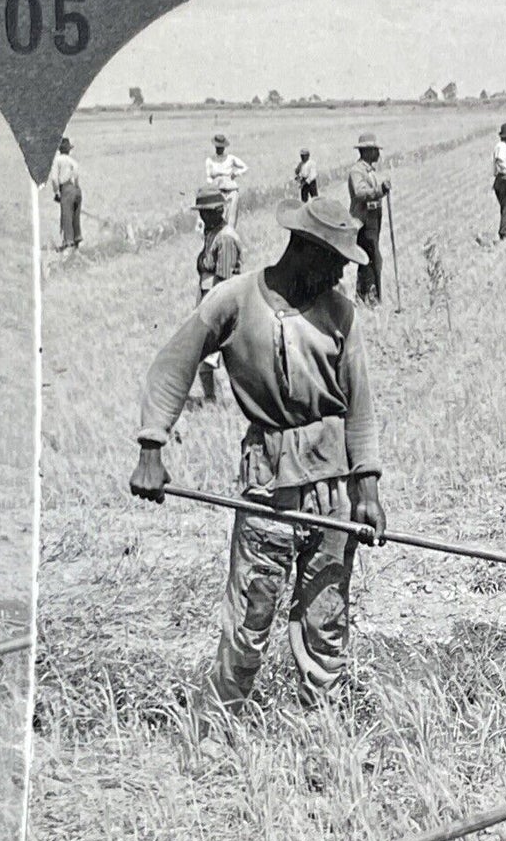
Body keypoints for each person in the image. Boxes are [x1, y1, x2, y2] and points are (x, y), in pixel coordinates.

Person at [130, 196, 384, 713]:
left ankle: (318, 731)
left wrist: (369, 491)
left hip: (333, 494)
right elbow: (174, 364)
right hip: (268, 487)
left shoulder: (341, 314)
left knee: (326, 620)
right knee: (250, 616)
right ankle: (218, 734)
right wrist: (152, 445)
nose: (340, 274)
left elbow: (360, 406)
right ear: (306, 251)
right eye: (335, 261)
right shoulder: (234, 300)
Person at [190, 185, 243, 403]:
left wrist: (213, 312)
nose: (202, 216)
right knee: (205, 354)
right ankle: (211, 400)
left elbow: (225, 282)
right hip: (206, 298)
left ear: (218, 211)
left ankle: (226, 402)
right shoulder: (211, 233)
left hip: (218, 301)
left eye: (206, 211)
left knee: (215, 355)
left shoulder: (226, 238)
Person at [347, 131, 390, 304]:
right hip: (364, 220)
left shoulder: (369, 170)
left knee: (370, 256)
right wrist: (380, 190)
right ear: (366, 152)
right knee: (371, 256)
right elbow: (359, 193)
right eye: (375, 150)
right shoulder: (357, 171)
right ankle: (371, 297)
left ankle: (363, 295)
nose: (378, 154)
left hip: (374, 216)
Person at [47, 137, 83, 249]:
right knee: (75, 219)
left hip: (66, 190)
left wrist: (56, 193)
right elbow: (76, 179)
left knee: (66, 218)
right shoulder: (73, 162)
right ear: (69, 150)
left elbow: (54, 179)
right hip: (77, 190)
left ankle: (68, 245)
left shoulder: (58, 160)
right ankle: (76, 244)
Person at [205, 134, 248, 227]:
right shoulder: (210, 160)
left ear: (224, 147)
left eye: (221, 147)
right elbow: (208, 177)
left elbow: (245, 167)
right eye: (218, 147)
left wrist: (236, 173)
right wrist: (212, 184)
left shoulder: (230, 158)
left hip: (230, 188)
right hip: (216, 189)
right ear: (215, 147)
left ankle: (230, 229)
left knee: (232, 207)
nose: (219, 149)